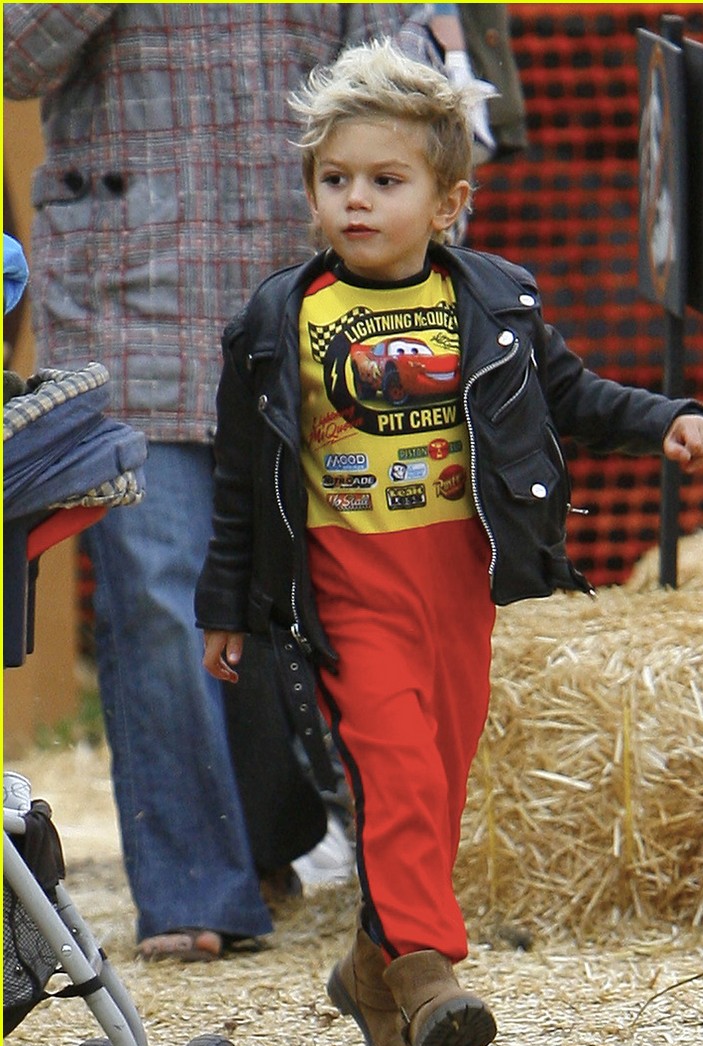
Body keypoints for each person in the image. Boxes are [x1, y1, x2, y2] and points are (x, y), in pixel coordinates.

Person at [196, 38, 703, 1046]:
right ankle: (433, 972)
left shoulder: (494, 299)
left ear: (446, 203)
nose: (356, 201)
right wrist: (227, 606)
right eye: (335, 180)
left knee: (434, 785)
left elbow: (569, 398)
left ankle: (369, 969)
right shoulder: (276, 320)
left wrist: (665, 416)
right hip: (346, 582)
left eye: (385, 182)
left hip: (456, 579)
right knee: (392, 770)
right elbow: (238, 480)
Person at [3, 5, 439, 962]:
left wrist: (409, 223)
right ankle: (195, 889)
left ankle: (335, 858)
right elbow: (16, 58)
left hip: (314, 296)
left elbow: (409, 64)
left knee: (330, 597)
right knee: (160, 597)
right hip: (125, 295)